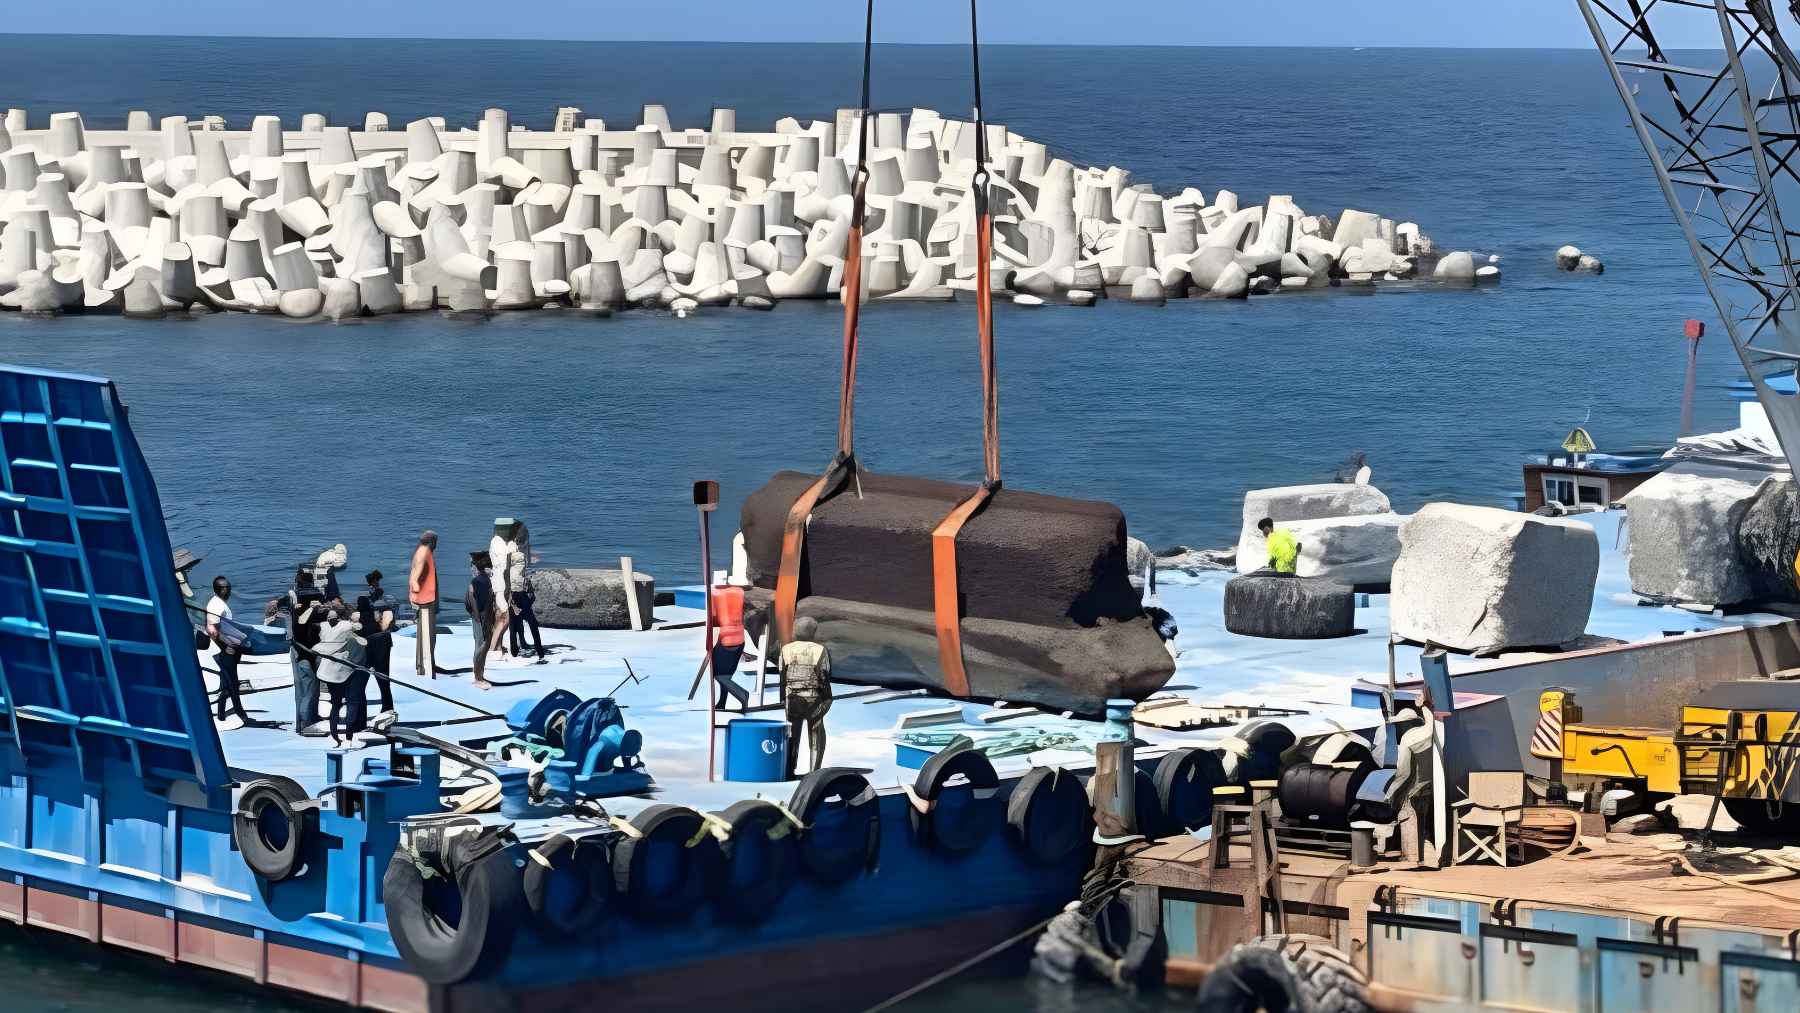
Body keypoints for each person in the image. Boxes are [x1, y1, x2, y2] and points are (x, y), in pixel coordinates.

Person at [780, 616, 833, 778]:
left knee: (792, 735)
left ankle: (789, 769)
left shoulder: (786, 649)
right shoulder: (820, 650)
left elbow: (782, 676)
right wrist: (827, 698)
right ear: (813, 632)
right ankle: (814, 772)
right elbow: (824, 676)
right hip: (813, 698)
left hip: (792, 698)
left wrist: (784, 699)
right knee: (816, 732)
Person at [313, 600, 366, 746]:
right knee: (352, 702)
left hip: (329, 672)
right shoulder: (347, 628)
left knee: (335, 704)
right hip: (347, 671)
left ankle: (335, 737)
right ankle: (348, 737)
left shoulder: (324, 627)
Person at [205, 575, 252, 727]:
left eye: (228, 587)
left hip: (231, 647)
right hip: (226, 650)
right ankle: (241, 715)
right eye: (223, 588)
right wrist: (226, 647)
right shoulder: (216, 605)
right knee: (232, 683)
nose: (227, 590)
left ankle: (220, 714)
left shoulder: (219, 603)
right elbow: (212, 629)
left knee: (226, 683)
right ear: (216, 589)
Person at [354, 569, 396, 725]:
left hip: (371, 642)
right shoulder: (381, 600)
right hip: (382, 640)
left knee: (362, 679)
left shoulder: (367, 601)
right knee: (383, 677)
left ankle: (361, 712)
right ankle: (387, 707)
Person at [287, 568, 325, 734]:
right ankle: (304, 723)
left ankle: (311, 716)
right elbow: (300, 623)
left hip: (311, 650)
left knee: (312, 686)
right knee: (307, 687)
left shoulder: (297, 600)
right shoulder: (300, 606)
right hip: (303, 651)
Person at [505, 521, 546, 661]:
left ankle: (533, 651)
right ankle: (516, 650)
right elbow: (506, 569)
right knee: (517, 621)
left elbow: (525, 564)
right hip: (514, 589)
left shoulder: (523, 546)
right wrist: (508, 592)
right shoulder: (510, 546)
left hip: (521, 587)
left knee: (524, 621)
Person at [708, 577, 750, 709]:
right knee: (727, 674)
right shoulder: (739, 591)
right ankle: (722, 702)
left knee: (718, 674)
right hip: (740, 637)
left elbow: (713, 619)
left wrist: (708, 644)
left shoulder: (715, 593)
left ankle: (742, 694)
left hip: (725, 638)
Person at [409, 530, 440, 678]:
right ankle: (426, 669)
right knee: (428, 636)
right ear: (431, 541)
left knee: (425, 635)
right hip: (425, 600)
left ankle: (423, 665)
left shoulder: (420, 550)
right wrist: (416, 590)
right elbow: (415, 578)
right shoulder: (424, 553)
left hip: (425, 598)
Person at [465, 551, 497, 690]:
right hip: (481, 616)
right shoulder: (479, 581)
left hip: (483, 615)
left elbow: (471, 598)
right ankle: (478, 677)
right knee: (482, 645)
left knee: (481, 644)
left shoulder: (481, 580)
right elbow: (471, 598)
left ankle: (479, 675)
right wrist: (478, 615)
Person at [486, 519, 516, 662]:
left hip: (503, 583)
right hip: (501, 584)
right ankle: (492, 648)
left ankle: (498, 647)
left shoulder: (500, 542)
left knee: (500, 616)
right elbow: (504, 565)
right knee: (504, 616)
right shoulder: (498, 542)